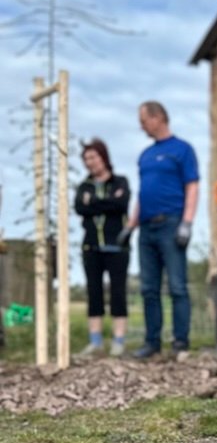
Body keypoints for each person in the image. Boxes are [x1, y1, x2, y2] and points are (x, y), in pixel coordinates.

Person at [119, 101, 199, 359]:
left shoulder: (182, 149)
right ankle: (152, 342)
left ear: (158, 118)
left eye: (143, 121)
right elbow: (143, 194)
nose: (141, 127)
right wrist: (130, 226)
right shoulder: (145, 155)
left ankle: (180, 343)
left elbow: (192, 186)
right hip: (146, 229)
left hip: (171, 224)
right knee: (148, 289)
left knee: (177, 287)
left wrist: (187, 222)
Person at [74, 139, 131, 357]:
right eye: (86, 159)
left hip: (116, 247)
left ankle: (119, 341)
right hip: (91, 247)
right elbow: (80, 208)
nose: (90, 162)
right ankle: (95, 342)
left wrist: (94, 204)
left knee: (118, 293)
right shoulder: (84, 186)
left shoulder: (120, 182)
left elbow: (120, 204)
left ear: (103, 157)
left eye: (93, 157)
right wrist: (105, 203)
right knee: (94, 292)